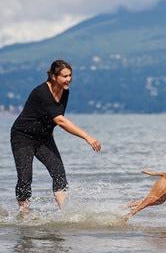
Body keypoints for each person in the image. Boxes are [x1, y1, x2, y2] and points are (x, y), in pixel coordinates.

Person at [10, 59, 101, 214]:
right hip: (23, 137)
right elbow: (60, 120)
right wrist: (87, 137)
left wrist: (49, 129)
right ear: (53, 76)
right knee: (25, 178)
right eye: (64, 76)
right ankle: (24, 214)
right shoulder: (41, 92)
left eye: (70, 75)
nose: (69, 79)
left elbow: (55, 115)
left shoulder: (65, 92)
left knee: (58, 173)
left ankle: (66, 213)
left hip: (43, 137)